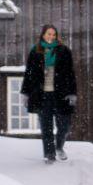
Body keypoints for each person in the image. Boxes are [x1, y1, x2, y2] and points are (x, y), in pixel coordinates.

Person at [20, 24, 77, 164]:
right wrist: (25, 92)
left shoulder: (64, 51)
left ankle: (59, 147)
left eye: (53, 34)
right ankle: (49, 155)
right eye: (48, 34)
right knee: (46, 127)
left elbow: (71, 73)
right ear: (43, 35)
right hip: (42, 94)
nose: (51, 36)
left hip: (60, 93)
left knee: (64, 125)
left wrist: (72, 93)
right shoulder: (35, 51)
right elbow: (29, 74)